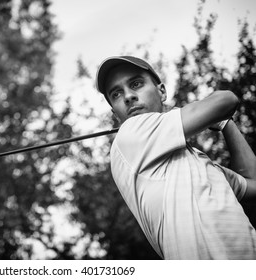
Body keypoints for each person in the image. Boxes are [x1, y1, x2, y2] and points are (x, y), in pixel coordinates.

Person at [95, 55, 256, 259]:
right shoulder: (131, 133)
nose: (128, 96)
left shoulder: (201, 162)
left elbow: (253, 183)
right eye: (117, 94)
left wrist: (226, 123)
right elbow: (226, 99)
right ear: (115, 112)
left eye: (136, 84)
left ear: (161, 91)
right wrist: (212, 113)